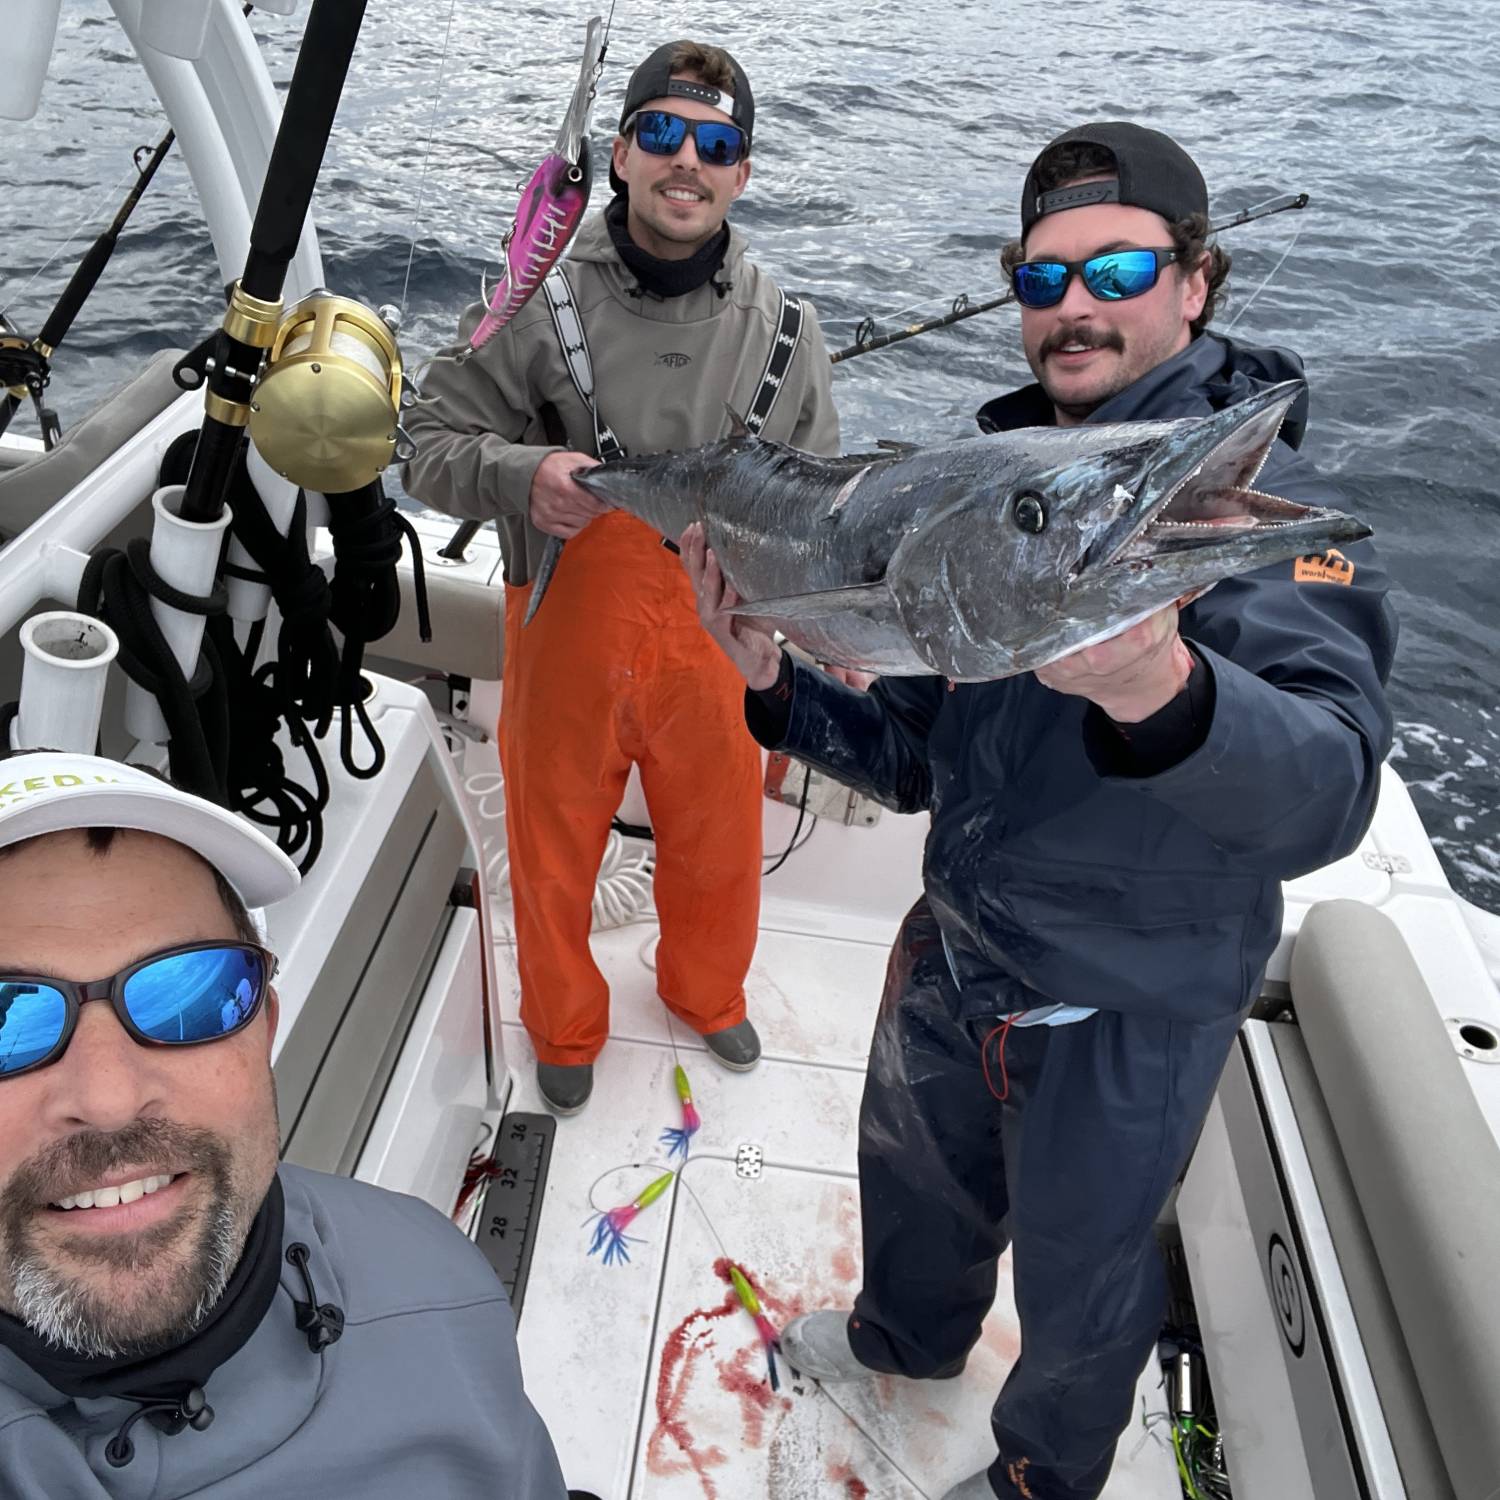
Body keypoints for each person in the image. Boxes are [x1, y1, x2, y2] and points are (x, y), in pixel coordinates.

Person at [681, 122, 1398, 1500]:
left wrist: (1166, 688)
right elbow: (909, 757)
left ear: (1196, 282)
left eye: (1117, 265)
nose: (1074, 304)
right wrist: (769, 681)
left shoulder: (1257, 522)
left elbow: (1326, 791)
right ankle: (905, 1341)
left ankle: (1041, 1480)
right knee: (914, 1182)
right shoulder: (988, 482)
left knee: (1084, 1287)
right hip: (960, 948)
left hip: (1127, 1007)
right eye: (1040, 276)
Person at [403, 39, 839, 1117]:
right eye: (663, 133)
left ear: (742, 173)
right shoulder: (535, 297)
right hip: (565, 628)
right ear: (623, 154)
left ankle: (704, 989)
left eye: (716, 143)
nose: (686, 161)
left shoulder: (788, 327)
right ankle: (562, 1022)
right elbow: (422, 440)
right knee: (551, 849)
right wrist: (518, 472)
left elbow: (822, 510)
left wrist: (818, 640)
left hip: (718, 639)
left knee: (723, 839)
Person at [0, 751, 571, 1497]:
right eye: (10, 1014)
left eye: (195, 992)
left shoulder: (436, 1286)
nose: (108, 1097)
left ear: (263, 1027)